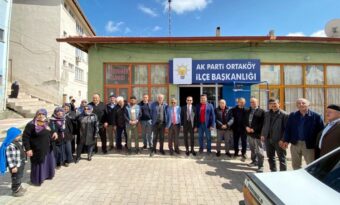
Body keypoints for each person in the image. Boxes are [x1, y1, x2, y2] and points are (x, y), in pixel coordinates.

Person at [282, 98, 324, 170]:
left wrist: (318, 144)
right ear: (297, 105)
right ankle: (298, 178)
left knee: (311, 164)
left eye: (303, 103)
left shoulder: (316, 116)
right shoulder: (293, 115)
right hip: (295, 143)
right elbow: (288, 129)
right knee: (295, 164)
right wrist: (286, 140)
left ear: (308, 104)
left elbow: (321, 132)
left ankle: (311, 178)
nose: (301, 105)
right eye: (299, 103)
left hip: (309, 144)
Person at [23, 109, 56, 186]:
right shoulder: (31, 125)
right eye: (39, 114)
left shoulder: (47, 123)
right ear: (36, 115)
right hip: (37, 149)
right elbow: (25, 138)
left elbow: (51, 130)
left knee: (47, 162)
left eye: (43, 114)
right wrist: (28, 149)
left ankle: (47, 175)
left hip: (48, 148)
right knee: (38, 163)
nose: (41, 116)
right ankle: (37, 179)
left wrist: (54, 132)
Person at [261, 98, 288, 172]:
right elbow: (264, 125)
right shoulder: (267, 113)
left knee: (281, 158)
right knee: (270, 157)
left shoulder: (284, 115)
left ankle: (283, 173)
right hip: (268, 139)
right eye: (271, 104)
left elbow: (287, 129)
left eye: (275, 104)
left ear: (279, 104)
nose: (273, 105)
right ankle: (273, 172)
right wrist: (263, 134)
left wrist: (283, 140)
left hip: (279, 140)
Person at [0, 127, 26, 197]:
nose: (19, 137)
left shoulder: (17, 142)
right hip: (15, 166)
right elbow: (10, 158)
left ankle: (19, 186)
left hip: (20, 163)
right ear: (13, 136)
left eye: (20, 135)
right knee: (16, 177)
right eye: (18, 136)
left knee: (19, 176)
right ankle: (15, 190)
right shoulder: (10, 146)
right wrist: (13, 167)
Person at [244, 98, 265, 168]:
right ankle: (254, 161)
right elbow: (244, 121)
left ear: (257, 102)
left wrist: (254, 129)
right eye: (251, 102)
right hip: (249, 134)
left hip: (257, 134)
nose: (252, 103)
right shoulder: (247, 111)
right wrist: (246, 127)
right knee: (252, 149)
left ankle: (260, 166)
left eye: (254, 102)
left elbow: (262, 123)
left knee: (259, 150)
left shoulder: (262, 111)